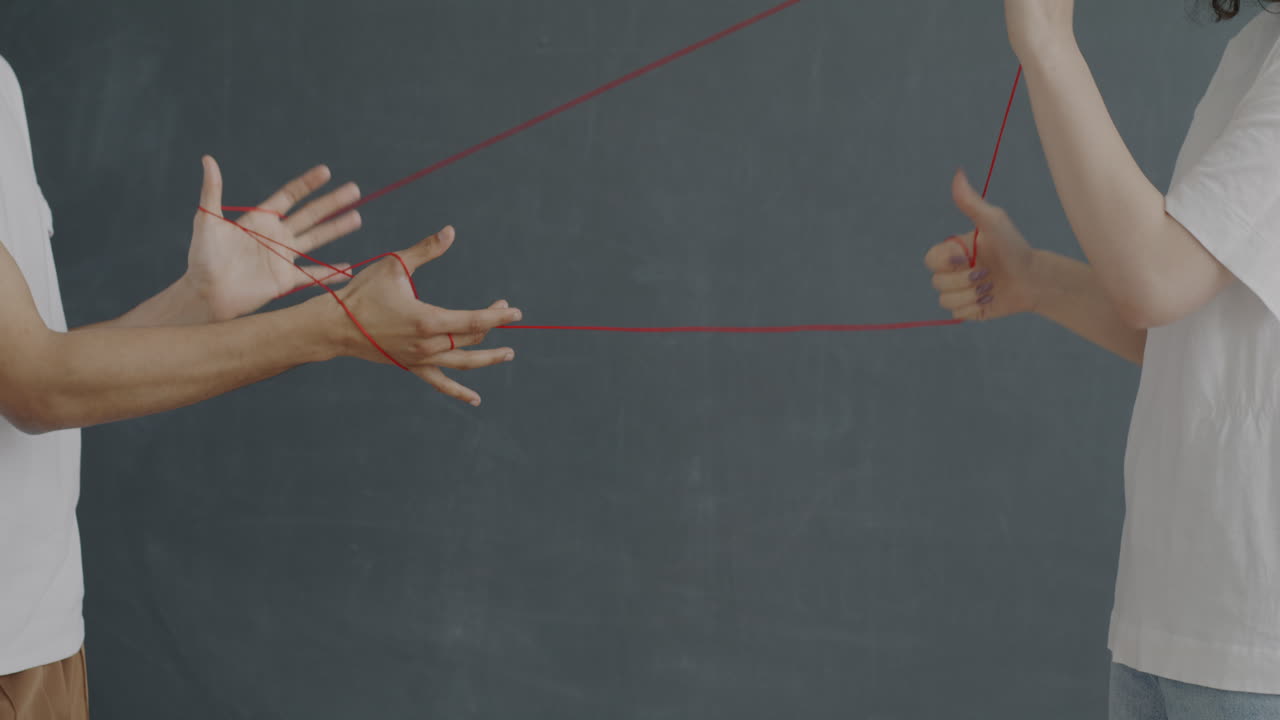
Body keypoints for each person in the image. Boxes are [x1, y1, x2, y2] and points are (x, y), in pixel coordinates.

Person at [0, 54, 522, 718]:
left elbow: (35, 369)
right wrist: (330, 328)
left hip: (40, 645)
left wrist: (196, 301)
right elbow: (35, 387)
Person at [925, 0, 1280, 717]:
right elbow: (1206, 349)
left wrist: (1048, 41)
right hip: (1174, 627)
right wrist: (1039, 281)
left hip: (1249, 650)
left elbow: (1154, 278)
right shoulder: (1259, 50)